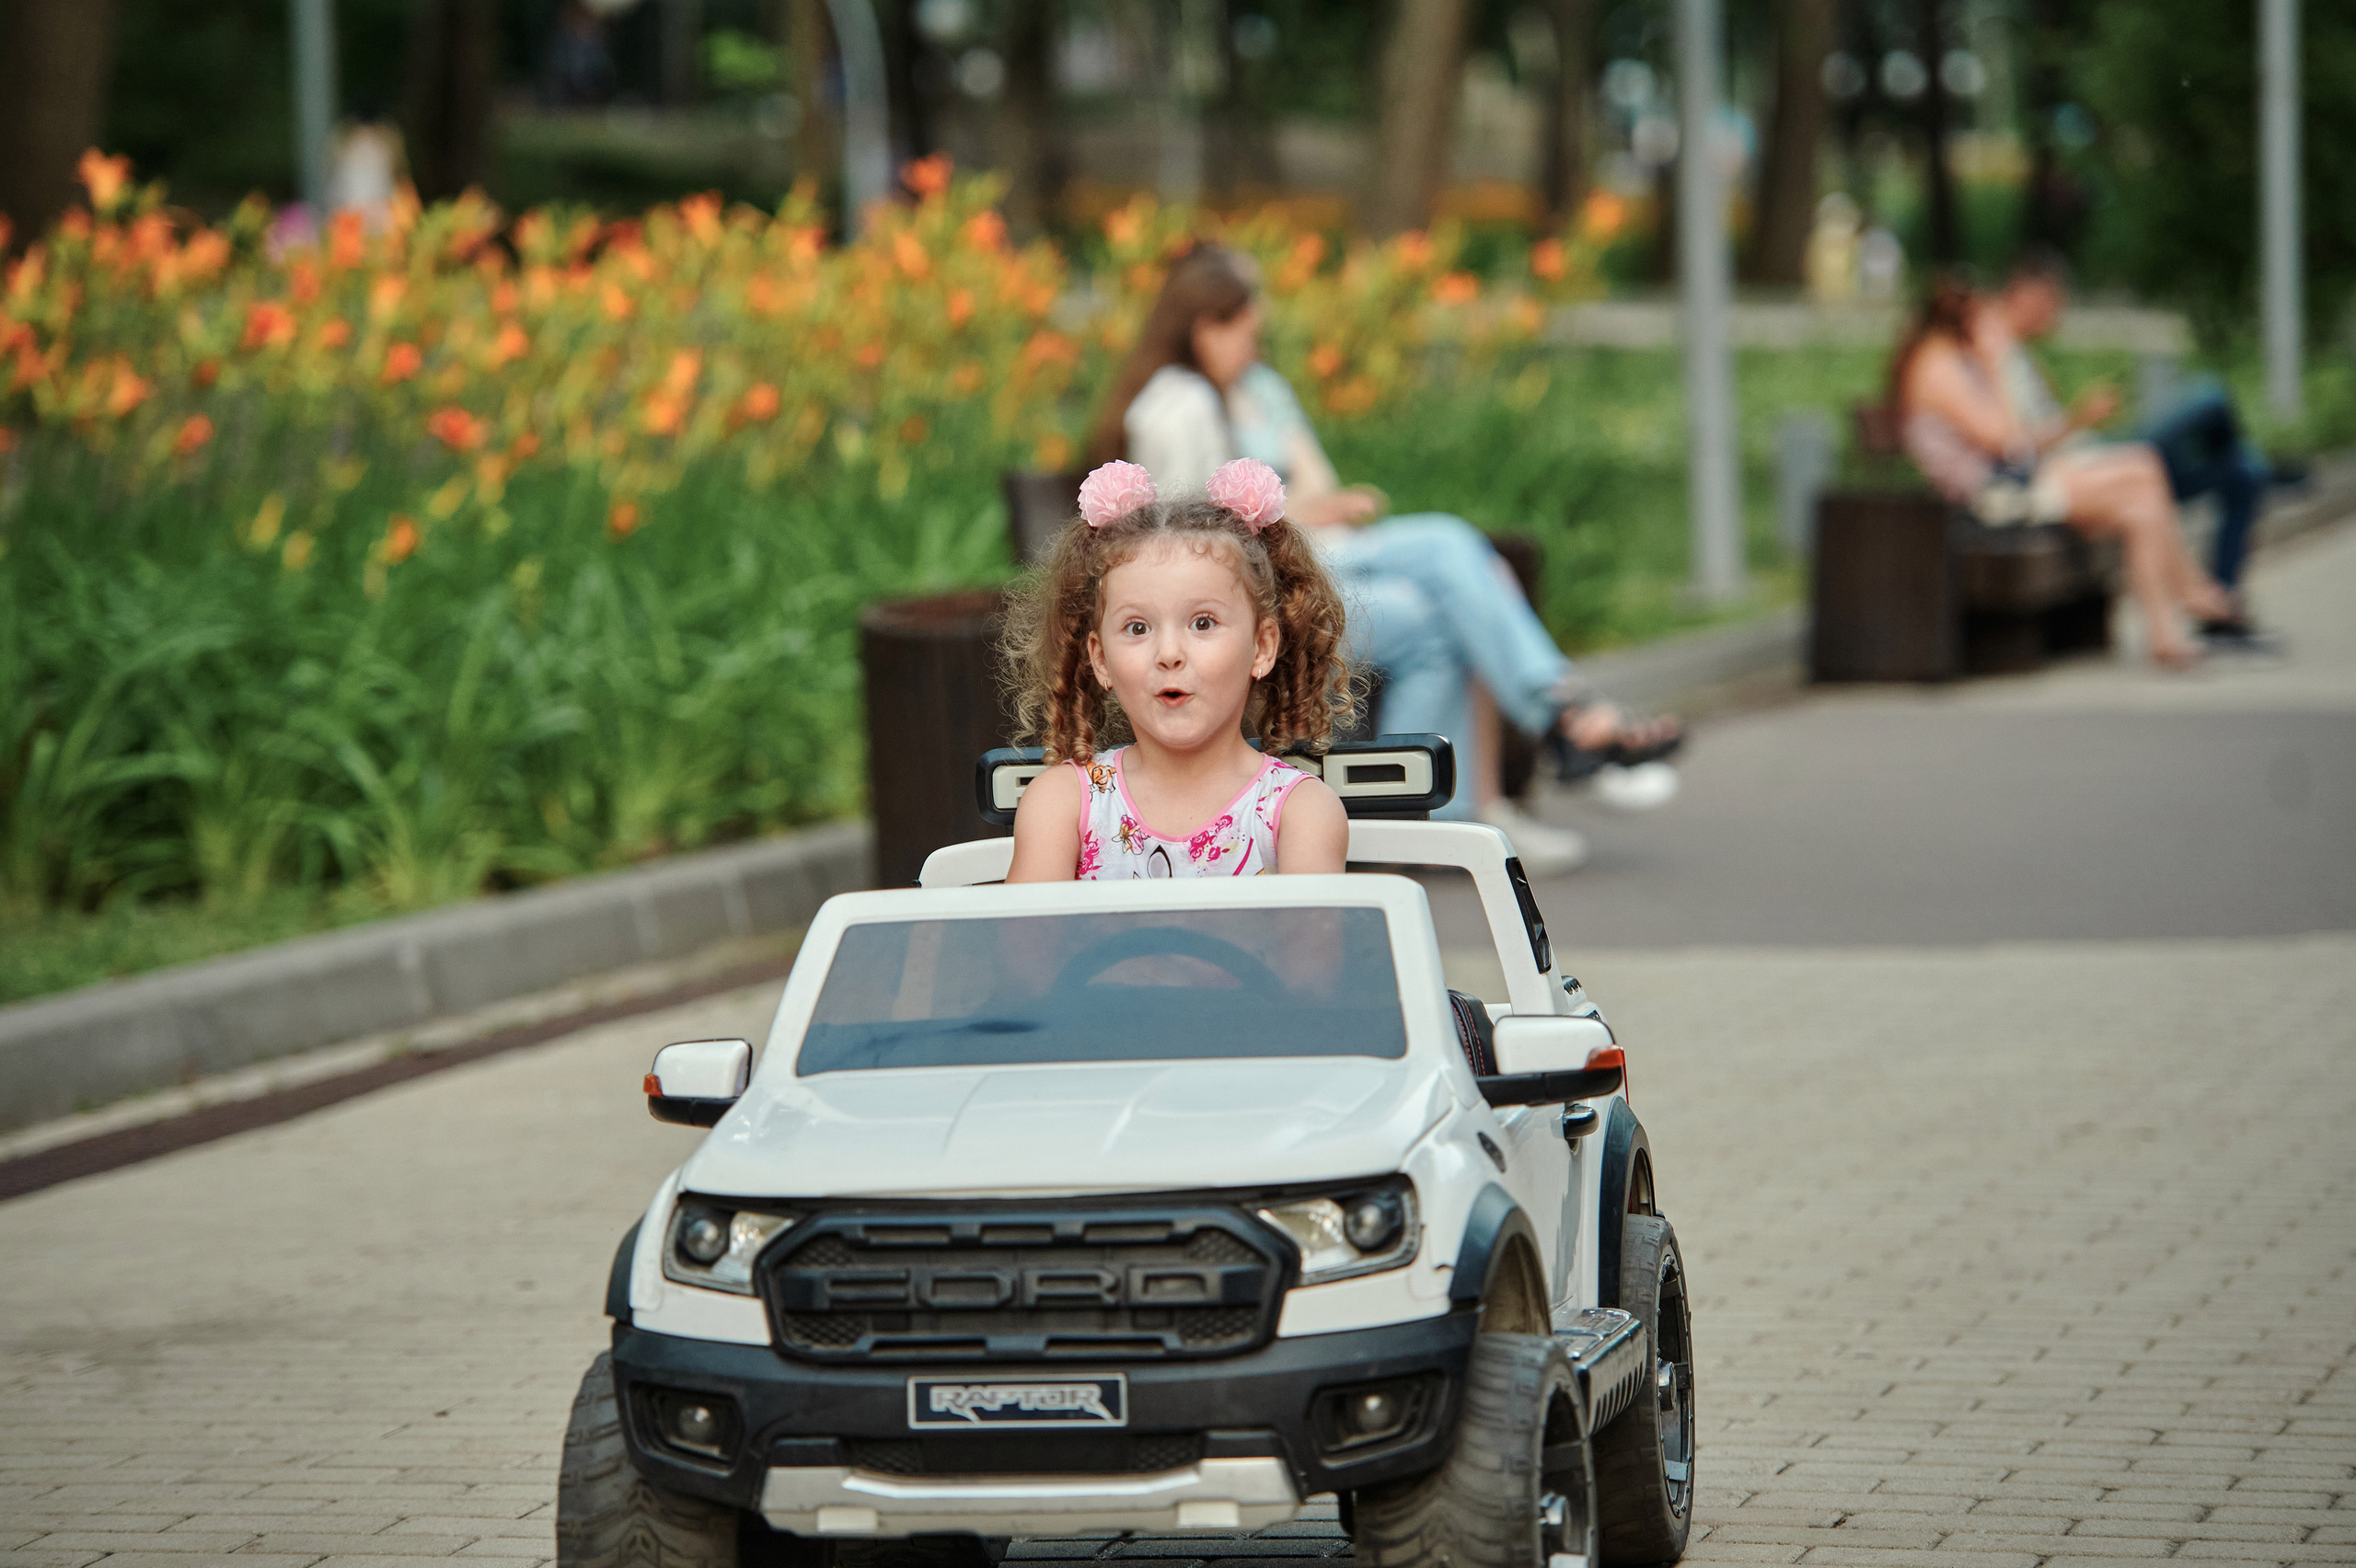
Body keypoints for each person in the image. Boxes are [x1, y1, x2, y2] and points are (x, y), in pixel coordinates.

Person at [1090, 244, 1680, 875]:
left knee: (1450, 552)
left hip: (1314, 558)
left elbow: (1300, 484)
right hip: (1263, 591)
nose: (1254, 347)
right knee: (1433, 605)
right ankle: (1489, 776)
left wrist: (1310, 508)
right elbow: (1186, 534)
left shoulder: (1251, 391)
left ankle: (1499, 766)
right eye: (1245, 333)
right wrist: (1302, 512)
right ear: (1205, 328)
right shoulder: (1175, 405)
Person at [1000, 457, 1352, 882]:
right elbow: (1030, 928)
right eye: (1137, 628)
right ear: (1101, 659)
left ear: (1261, 647)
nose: (1169, 654)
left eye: (1203, 623)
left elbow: (1309, 929)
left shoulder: (1299, 812)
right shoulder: (1062, 805)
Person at [1894, 274, 2236, 670]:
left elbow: (2013, 443)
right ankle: (2192, 595)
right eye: (1984, 321)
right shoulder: (1937, 367)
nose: (1991, 333)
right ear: (1963, 320)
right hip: (1992, 500)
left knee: (2141, 501)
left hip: (2010, 487)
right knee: (2143, 469)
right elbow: (2007, 442)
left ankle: (2166, 631)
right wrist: (1996, 368)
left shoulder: (1947, 361)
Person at [1988, 249, 2278, 647]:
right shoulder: (1995, 347)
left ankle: (2217, 611)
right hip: (2081, 458)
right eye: (2053, 301)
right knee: (2211, 396)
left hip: (2087, 451)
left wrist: (2078, 420)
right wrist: (2080, 417)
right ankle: (2201, 598)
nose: (2057, 313)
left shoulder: (2020, 353)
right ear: (2024, 292)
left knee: (2247, 470)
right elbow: (2016, 440)